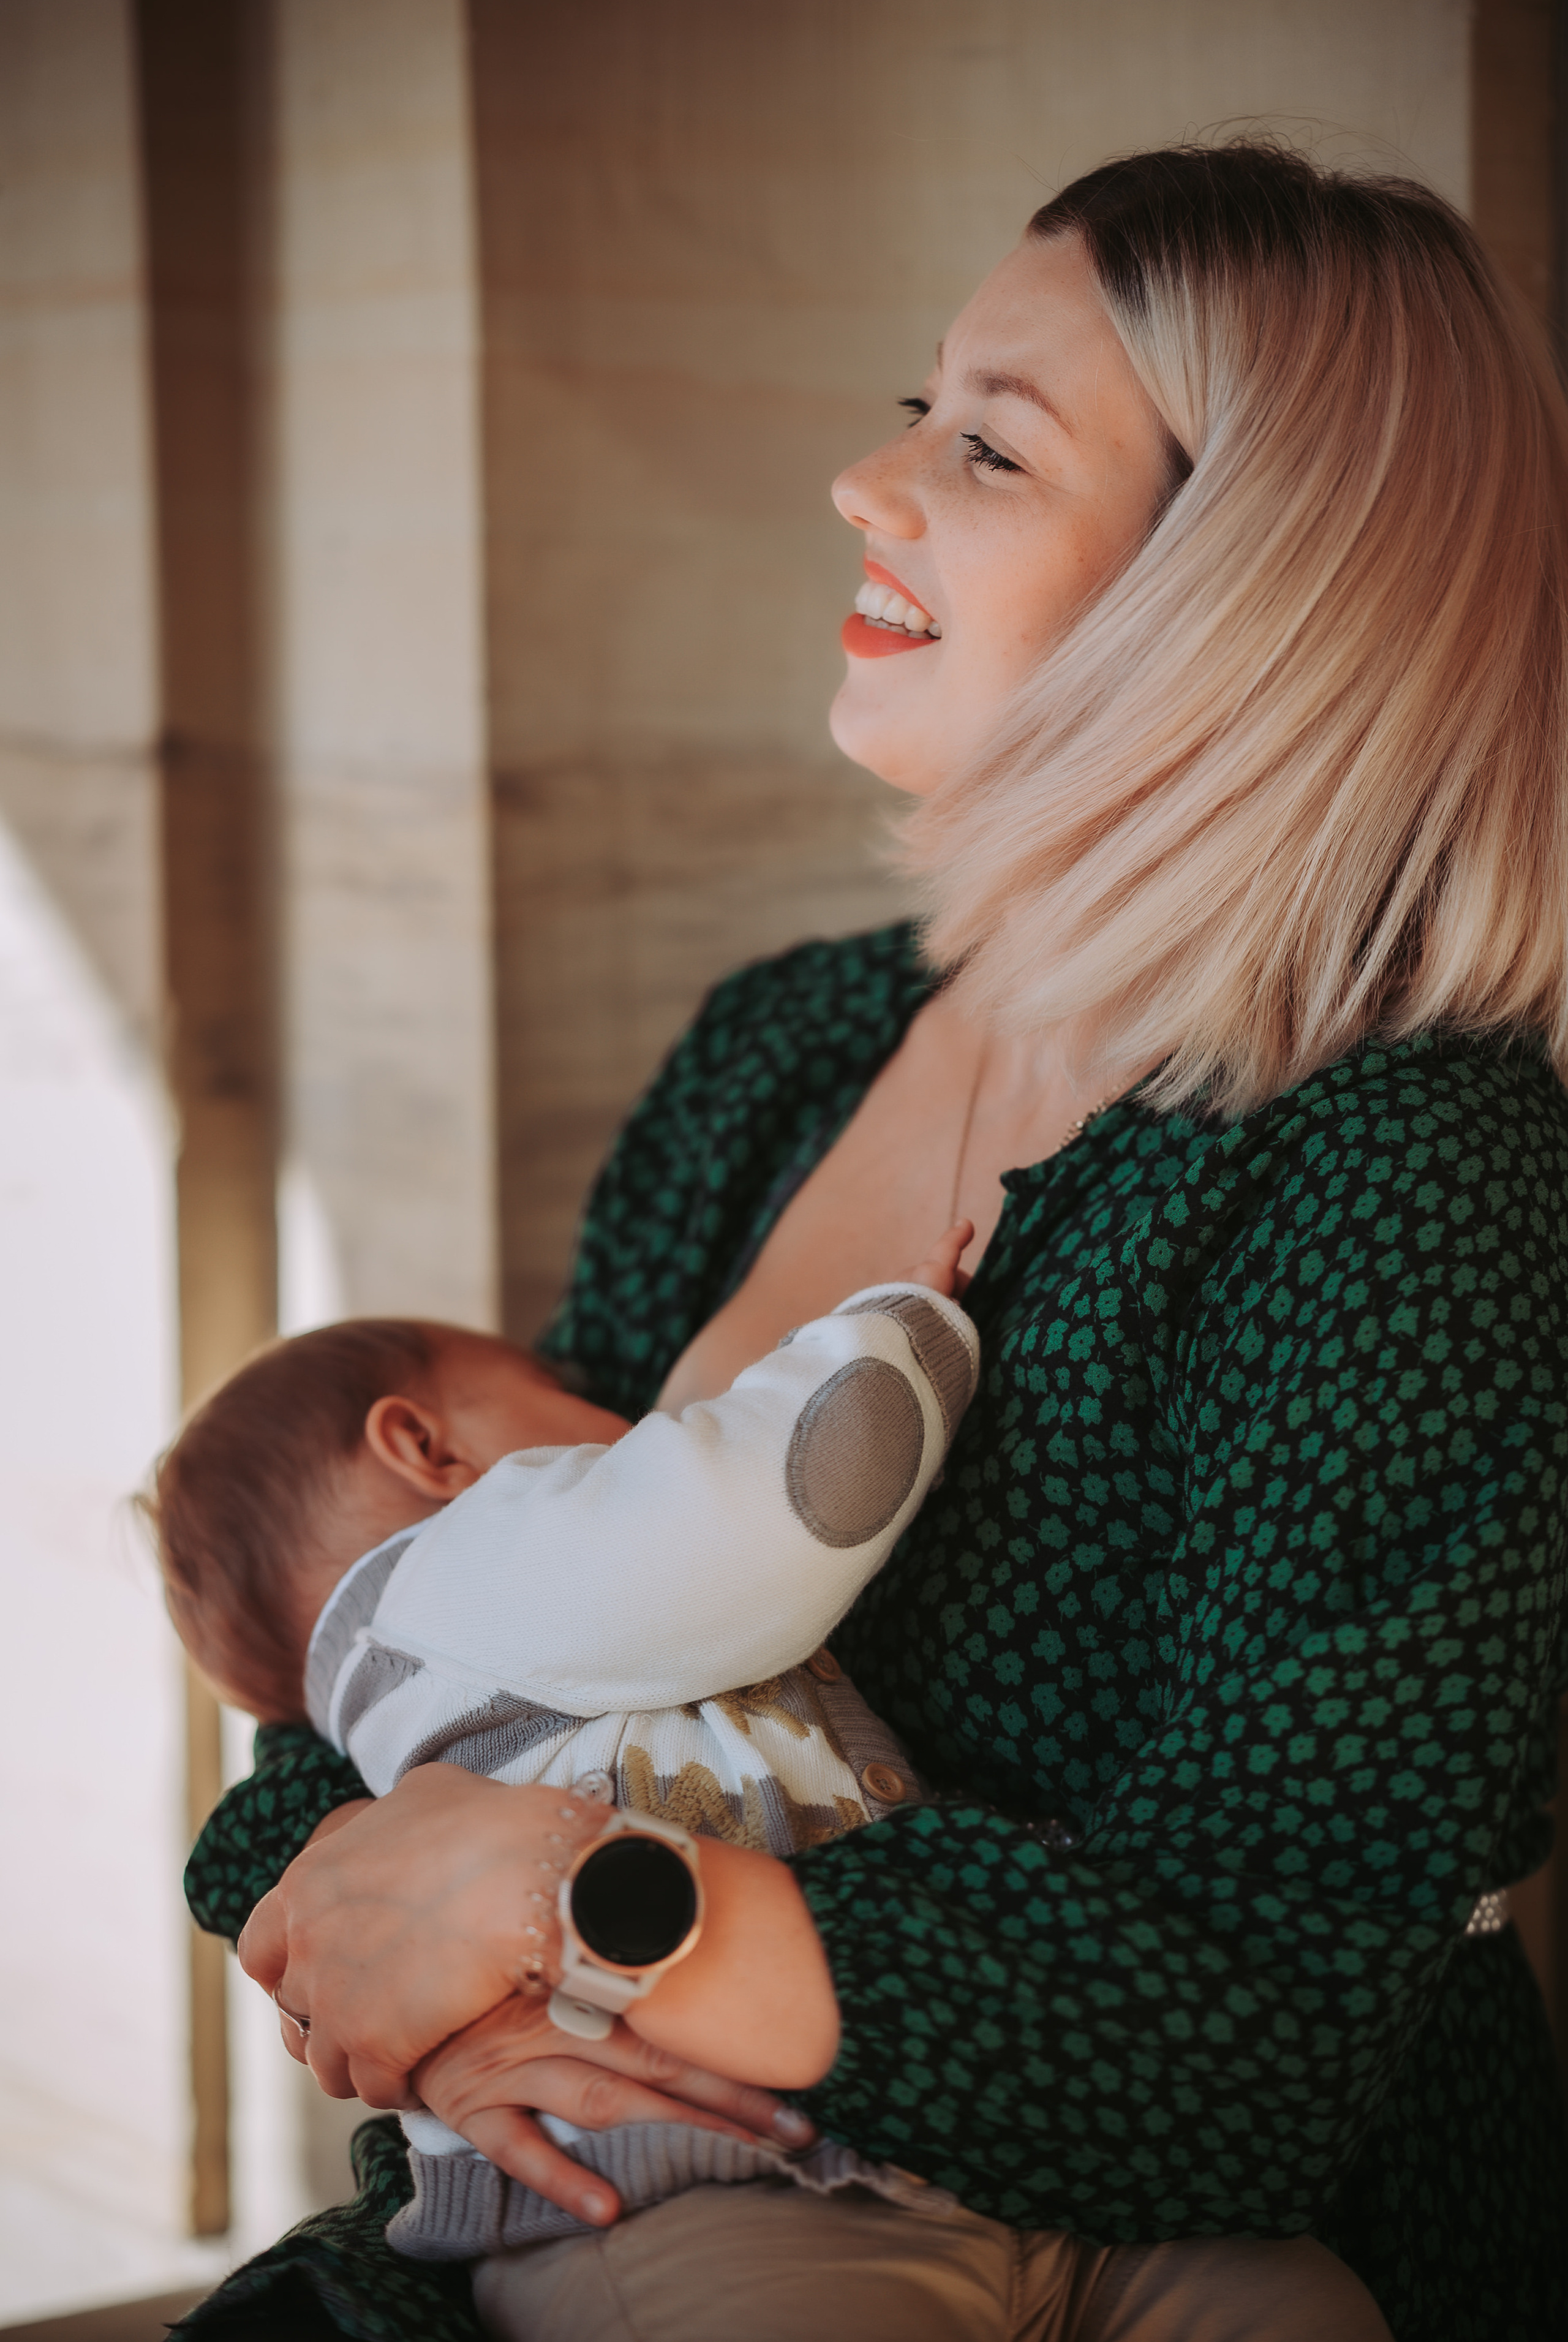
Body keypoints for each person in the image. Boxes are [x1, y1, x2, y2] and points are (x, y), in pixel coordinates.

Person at [173, 143, 1568, 2342]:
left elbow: (1262, 2035)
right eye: (912, 402)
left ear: (1253, 591)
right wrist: (432, 1992)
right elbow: (400, 1639)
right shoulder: (782, 1052)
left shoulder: (1406, 1178)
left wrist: (563, 1908)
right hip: (649, 2200)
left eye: (988, 444)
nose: (864, 480)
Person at [146, 1247, 978, 2259]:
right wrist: (896, 1328)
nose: (632, 1425)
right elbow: (780, 1502)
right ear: (422, 1444)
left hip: (586, 2169)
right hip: (680, 2181)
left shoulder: (384, 1705)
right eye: (560, 1394)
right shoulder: (470, 1556)